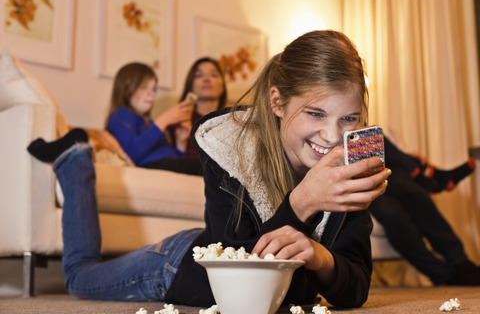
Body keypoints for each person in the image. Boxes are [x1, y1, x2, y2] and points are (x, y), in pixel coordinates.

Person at [26, 30, 389, 308]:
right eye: (315, 113)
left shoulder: (348, 168)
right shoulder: (228, 144)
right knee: (79, 277)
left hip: (213, 238)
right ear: (277, 102)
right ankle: (75, 160)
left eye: (349, 118)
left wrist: (321, 256)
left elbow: (354, 290)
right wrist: (303, 204)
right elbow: (240, 288)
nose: (332, 135)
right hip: (175, 267)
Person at [369, 136, 480, 286]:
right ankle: (428, 175)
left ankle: (459, 262)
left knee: (411, 191)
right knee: (393, 213)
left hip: (388, 178)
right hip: (364, 189)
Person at [105, 62, 202, 175]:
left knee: (205, 164)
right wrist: (163, 121)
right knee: (208, 165)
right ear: (126, 88)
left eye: (154, 89)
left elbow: (172, 158)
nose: (151, 94)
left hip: (168, 164)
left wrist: (181, 143)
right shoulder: (121, 114)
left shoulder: (149, 122)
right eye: (144, 87)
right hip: (151, 165)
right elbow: (131, 154)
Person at [167, 57, 227, 157]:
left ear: (223, 87)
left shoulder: (232, 122)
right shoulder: (178, 122)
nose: (207, 79)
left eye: (214, 75)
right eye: (199, 75)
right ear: (190, 85)